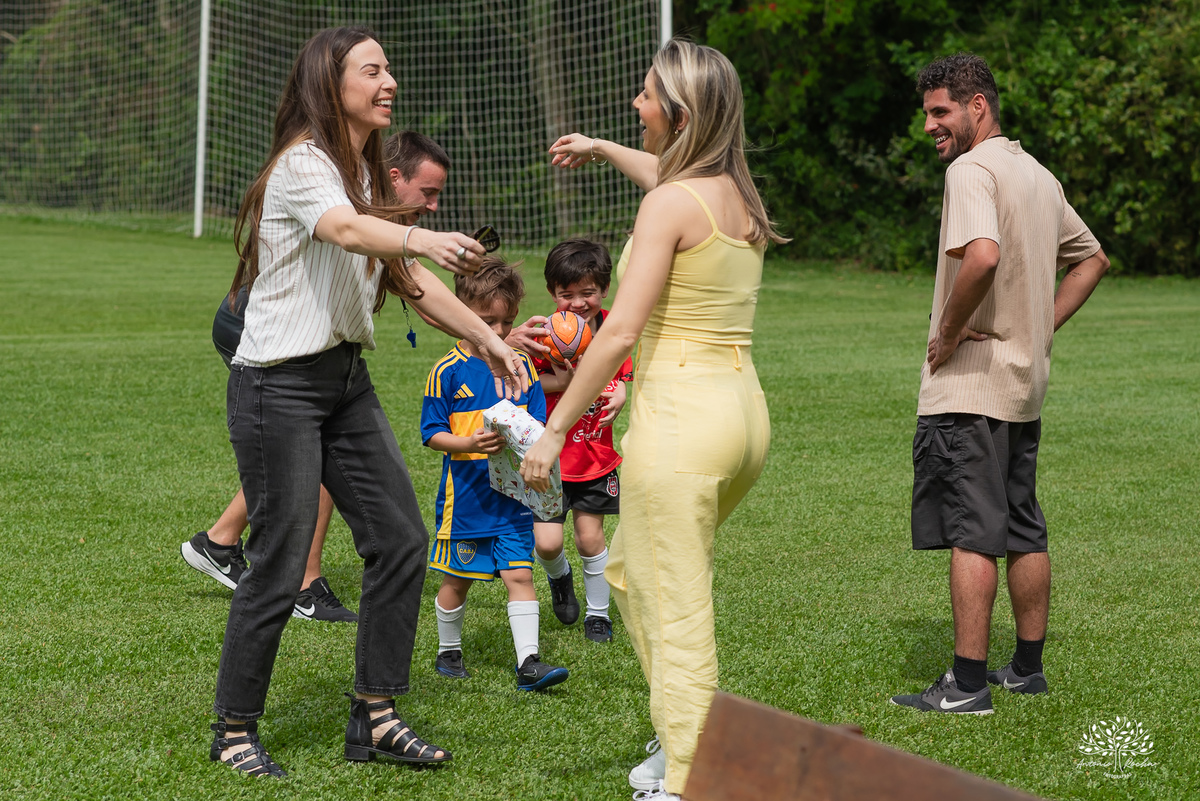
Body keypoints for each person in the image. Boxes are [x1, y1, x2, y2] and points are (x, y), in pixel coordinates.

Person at [208, 26, 529, 778]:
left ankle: (375, 715)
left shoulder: (360, 172)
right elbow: (351, 233)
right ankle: (232, 728)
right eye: (372, 70)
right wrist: (420, 238)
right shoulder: (303, 166)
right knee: (282, 557)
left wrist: (491, 338)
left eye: (389, 70)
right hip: (276, 386)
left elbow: (410, 284)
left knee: (402, 539)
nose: (389, 81)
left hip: (343, 383)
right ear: (331, 82)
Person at [521, 39, 784, 800]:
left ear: (680, 111)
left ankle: (689, 775)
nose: (635, 107)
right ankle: (678, 737)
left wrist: (555, 427)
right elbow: (666, 184)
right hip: (741, 419)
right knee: (634, 569)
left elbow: (620, 331)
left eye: (644, 96)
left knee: (674, 602)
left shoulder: (672, 200)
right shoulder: (733, 191)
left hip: (684, 423)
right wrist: (604, 147)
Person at [889, 53, 1109, 716]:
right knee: (1022, 524)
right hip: (1023, 386)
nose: (930, 125)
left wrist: (949, 332)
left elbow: (981, 254)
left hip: (973, 387)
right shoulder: (1037, 174)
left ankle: (967, 683)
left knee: (972, 530)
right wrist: (1039, 329)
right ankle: (1027, 670)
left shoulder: (971, 169)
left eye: (940, 111)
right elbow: (1092, 259)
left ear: (976, 104)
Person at [181, 130, 454, 623]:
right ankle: (303, 583)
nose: (433, 206)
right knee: (315, 447)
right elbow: (396, 267)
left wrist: (486, 338)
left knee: (308, 450)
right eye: (428, 192)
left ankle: (219, 542)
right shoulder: (346, 195)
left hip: (293, 342)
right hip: (255, 330)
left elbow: (416, 289)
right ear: (396, 177)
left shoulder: (380, 215)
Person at [422, 258, 569, 691]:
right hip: (465, 502)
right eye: (488, 321)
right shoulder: (447, 371)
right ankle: (449, 649)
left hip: (512, 500)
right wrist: (466, 444)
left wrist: (533, 451)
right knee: (458, 581)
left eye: (507, 322)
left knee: (520, 575)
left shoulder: (521, 366)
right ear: (461, 311)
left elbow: (539, 427)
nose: (501, 332)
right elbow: (431, 434)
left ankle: (530, 664)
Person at [529, 239, 632, 644]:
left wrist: (622, 387)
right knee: (548, 544)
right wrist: (565, 380)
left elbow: (622, 368)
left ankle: (598, 615)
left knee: (590, 539)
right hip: (550, 462)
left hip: (594, 458)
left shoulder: (611, 328)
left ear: (603, 290)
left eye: (587, 293)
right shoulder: (544, 334)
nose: (577, 303)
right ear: (553, 294)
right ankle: (559, 578)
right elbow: (524, 382)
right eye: (566, 294)